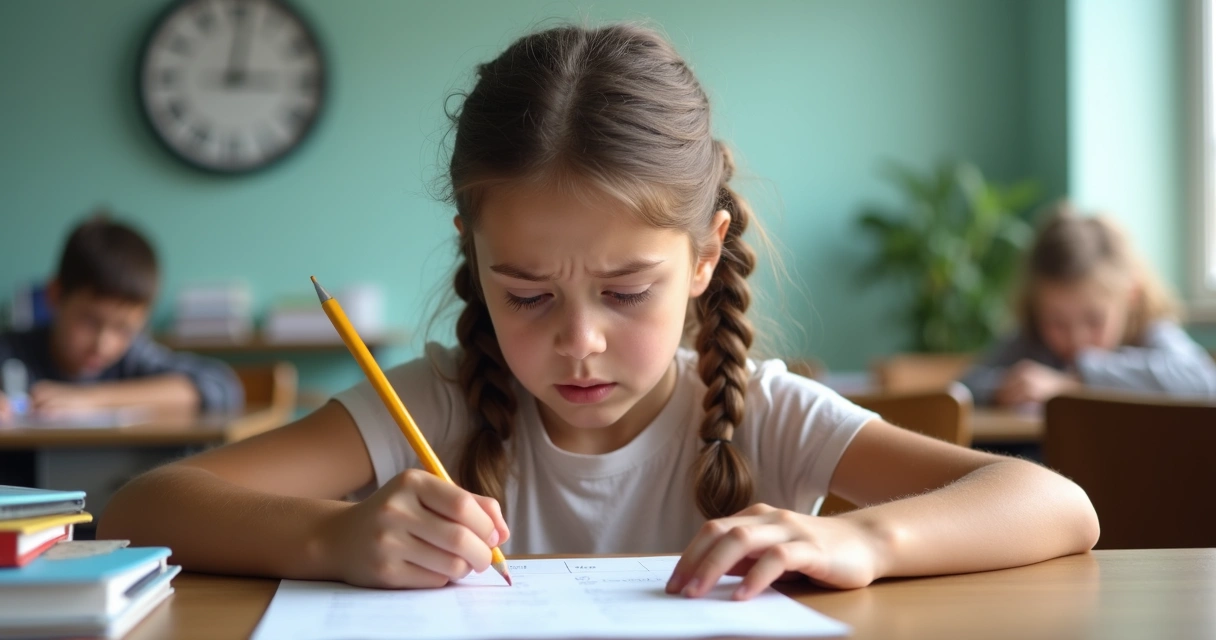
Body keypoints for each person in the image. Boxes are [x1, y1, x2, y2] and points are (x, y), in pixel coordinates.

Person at [99, 24, 1098, 601]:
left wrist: (860, 542)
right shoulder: (440, 402)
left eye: (625, 293)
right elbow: (139, 506)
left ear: (706, 254)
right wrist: (327, 540)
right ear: (474, 256)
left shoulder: (759, 408)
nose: (577, 341)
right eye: (525, 293)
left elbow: (1056, 504)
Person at [961, 203, 1216, 407]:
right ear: (1035, 306)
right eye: (1056, 322)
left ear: (1131, 295)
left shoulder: (1151, 332)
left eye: (1094, 320)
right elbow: (964, 387)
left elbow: (1202, 380)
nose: (1077, 339)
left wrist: (1074, 382)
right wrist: (1001, 390)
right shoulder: (1030, 341)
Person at [0, 214, 243, 422]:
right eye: (90, 322)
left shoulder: (133, 357)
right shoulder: (11, 351)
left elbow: (221, 385)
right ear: (55, 295)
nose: (102, 344)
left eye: (124, 329)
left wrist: (90, 399)